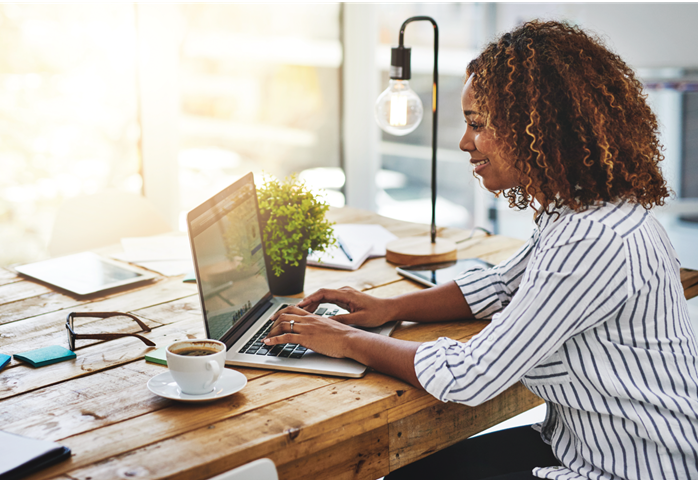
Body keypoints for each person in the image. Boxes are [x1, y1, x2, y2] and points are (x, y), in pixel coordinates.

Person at [263, 20, 698, 480]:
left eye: (477, 124)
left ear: (538, 127)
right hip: (581, 444)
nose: (464, 142)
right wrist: (386, 308)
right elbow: (498, 286)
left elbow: (473, 375)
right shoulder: (582, 211)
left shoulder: (592, 238)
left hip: (630, 470)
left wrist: (346, 340)